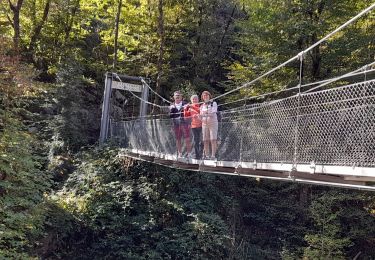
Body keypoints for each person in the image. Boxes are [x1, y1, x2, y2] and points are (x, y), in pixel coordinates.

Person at [169, 91, 192, 158]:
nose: (177, 97)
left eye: (179, 95)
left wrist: (189, 123)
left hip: (184, 123)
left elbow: (189, 114)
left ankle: (189, 154)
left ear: (181, 97)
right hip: (176, 124)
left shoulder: (186, 104)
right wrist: (171, 110)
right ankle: (180, 153)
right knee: (178, 139)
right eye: (176, 95)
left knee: (187, 139)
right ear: (174, 97)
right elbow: (171, 117)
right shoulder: (172, 105)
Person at [200, 91, 218, 159]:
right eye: (204, 95)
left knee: (213, 139)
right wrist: (199, 116)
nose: (205, 96)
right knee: (205, 140)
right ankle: (207, 156)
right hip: (204, 124)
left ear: (209, 96)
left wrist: (204, 114)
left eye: (207, 95)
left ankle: (213, 155)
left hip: (213, 123)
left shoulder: (214, 103)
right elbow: (201, 116)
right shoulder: (201, 106)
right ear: (202, 97)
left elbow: (213, 114)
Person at [184, 94, 202, 159]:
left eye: (196, 99)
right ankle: (197, 156)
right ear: (191, 100)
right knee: (196, 141)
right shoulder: (190, 108)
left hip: (201, 126)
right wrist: (185, 109)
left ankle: (201, 155)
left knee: (201, 141)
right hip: (193, 126)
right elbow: (186, 117)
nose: (194, 100)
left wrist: (192, 106)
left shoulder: (201, 106)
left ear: (198, 100)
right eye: (193, 99)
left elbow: (199, 111)